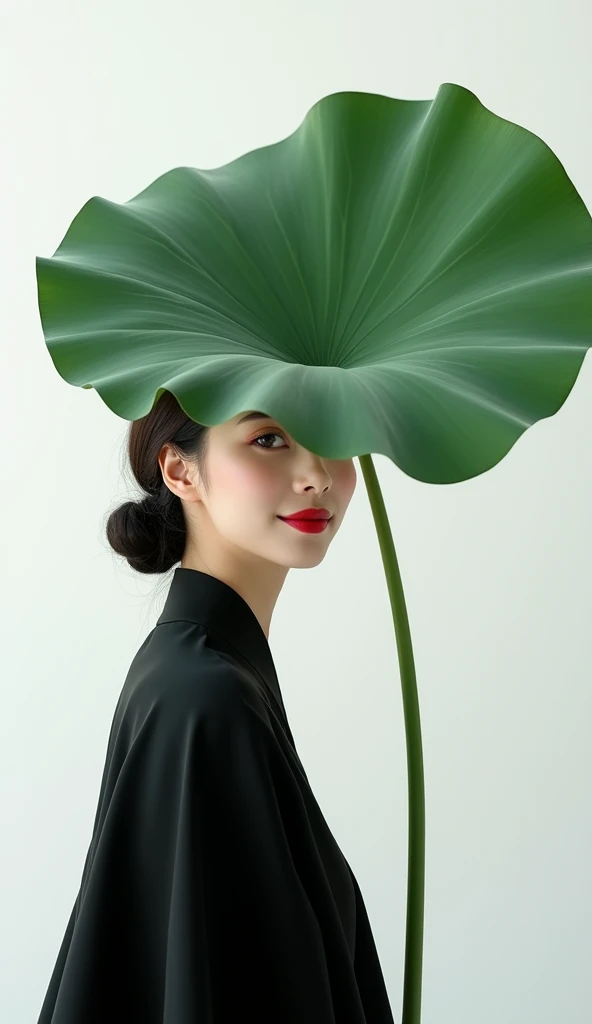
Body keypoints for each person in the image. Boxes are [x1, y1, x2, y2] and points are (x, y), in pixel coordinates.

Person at [36, 389, 395, 1023]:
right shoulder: (207, 697)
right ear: (181, 471)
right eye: (269, 439)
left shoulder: (202, 670)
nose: (316, 474)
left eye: (333, 436)